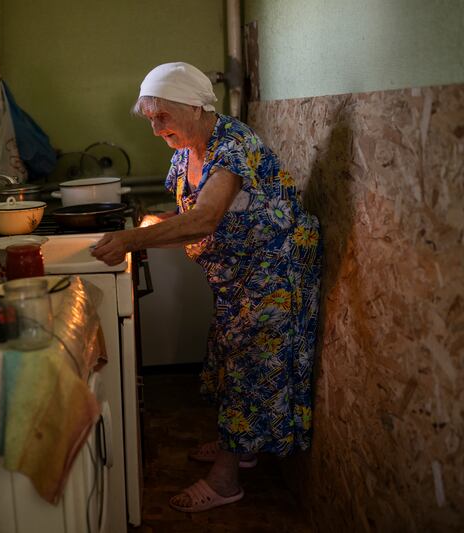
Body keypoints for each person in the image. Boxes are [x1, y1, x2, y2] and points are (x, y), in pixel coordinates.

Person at [91, 62, 322, 513]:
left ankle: (226, 479)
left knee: (250, 365)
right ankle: (243, 445)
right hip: (236, 274)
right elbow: (192, 215)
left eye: (163, 117)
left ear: (196, 108)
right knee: (232, 356)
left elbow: (207, 218)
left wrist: (134, 239)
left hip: (273, 269)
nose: (157, 129)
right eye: (151, 118)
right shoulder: (186, 149)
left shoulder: (231, 146)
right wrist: (158, 225)